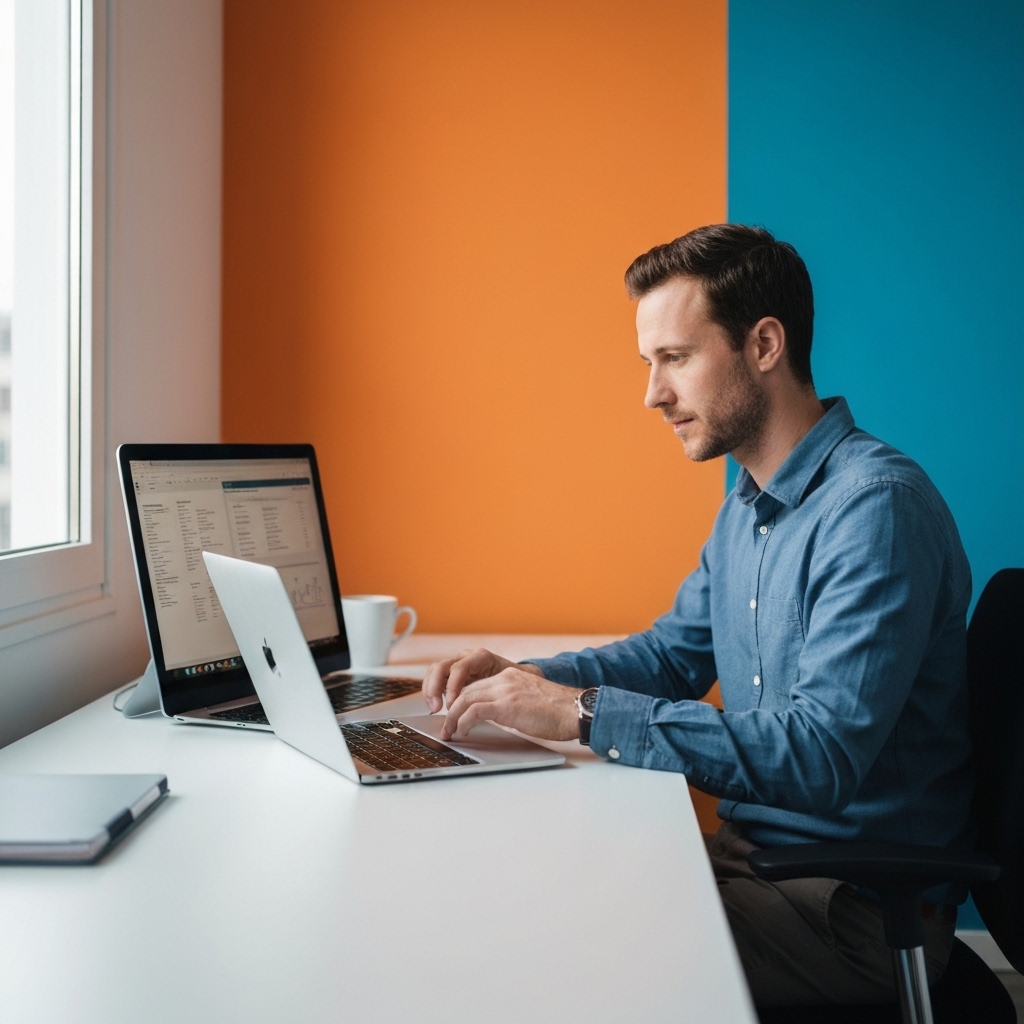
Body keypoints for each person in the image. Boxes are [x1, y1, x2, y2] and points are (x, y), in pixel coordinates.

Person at [421, 224, 973, 1008]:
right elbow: (672, 656)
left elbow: (818, 757)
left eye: (674, 359)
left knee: (544, 946)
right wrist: (528, 680)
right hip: (754, 866)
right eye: (650, 365)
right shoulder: (748, 504)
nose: (652, 393)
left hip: (850, 914)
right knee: (526, 881)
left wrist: (579, 714)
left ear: (765, 345)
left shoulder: (875, 510)